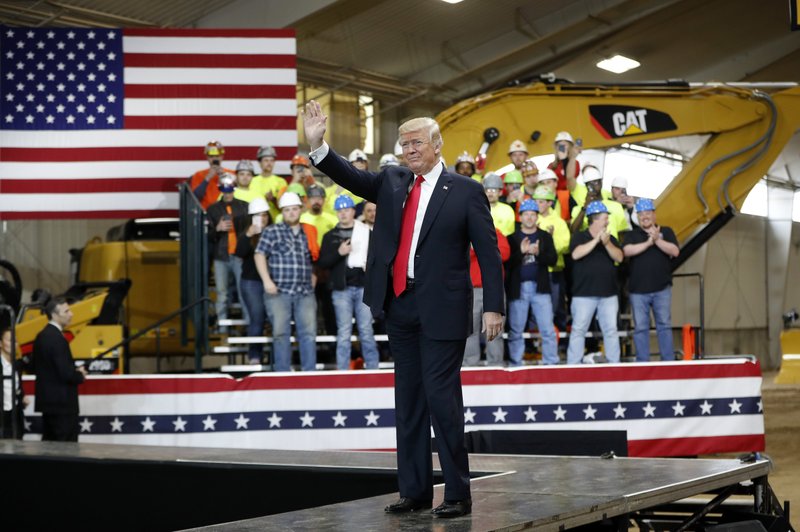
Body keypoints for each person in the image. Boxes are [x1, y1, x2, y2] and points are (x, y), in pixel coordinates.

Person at [303, 100, 504, 518]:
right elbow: (350, 176)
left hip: (444, 309)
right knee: (408, 402)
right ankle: (413, 491)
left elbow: (488, 253)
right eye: (403, 143)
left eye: (416, 142)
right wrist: (318, 144)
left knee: (441, 399)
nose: (409, 149)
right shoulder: (392, 181)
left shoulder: (465, 190)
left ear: (437, 145)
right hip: (400, 306)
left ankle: (457, 494)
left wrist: (494, 308)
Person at [254, 192, 319, 372]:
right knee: (281, 334)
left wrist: (314, 275)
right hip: (279, 292)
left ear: (300, 210)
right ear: (282, 212)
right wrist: (267, 281)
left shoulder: (308, 231)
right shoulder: (272, 231)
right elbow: (259, 254)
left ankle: (309, 373)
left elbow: (313, 257)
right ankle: (282, 374)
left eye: (294, 209)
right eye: (287, 210)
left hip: (305, 292)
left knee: (308, 334)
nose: (291, 213)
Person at [318, 195, 380, 370]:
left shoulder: (366, 232)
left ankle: (374, 371)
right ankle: (343, 372)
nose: (343, 214)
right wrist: (339, 252)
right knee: (344, 333)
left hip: (363, 288)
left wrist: (371, 267)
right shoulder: (330, 236)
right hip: (341, 289)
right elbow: (323, 263)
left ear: (353, 211)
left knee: (366, 331)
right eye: (340, 211)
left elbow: (377, 257)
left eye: (346, 210)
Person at [623, 198, 680, 362]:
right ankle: (642, 363)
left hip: (662, 289)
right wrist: (648, 243)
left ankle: (667, 362)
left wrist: (657, 240)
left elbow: (675, 251)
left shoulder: (666, 231)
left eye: (647, 213)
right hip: (638, 291)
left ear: (654, 215)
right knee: (640, 328)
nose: (644, 217)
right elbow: (627, 251)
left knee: (664, 325)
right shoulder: (632, 234)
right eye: (641, 214)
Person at [567, 201, 624, 364]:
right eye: (605, 218)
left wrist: (606, 243)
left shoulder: (610, 238)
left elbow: (619, 257)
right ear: (595, 219)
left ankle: (615, 365)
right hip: (583, 294)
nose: (607, 221)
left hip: (608, 294)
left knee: (611, 331)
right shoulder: (579, 236)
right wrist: (596, 241)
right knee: (578, 330)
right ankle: (573, 365)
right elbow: (576, 254)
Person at [506, 200, 558, 365]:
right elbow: (506, 263)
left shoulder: (545, 237)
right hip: (518, 288)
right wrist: (521, 252)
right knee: (516, 330)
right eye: (526, 214)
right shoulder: (512, 238)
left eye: (533, 214)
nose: (529, 218)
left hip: (540, 288)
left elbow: (553, 260)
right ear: (520, 217)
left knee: (548, 330)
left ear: (537, 216)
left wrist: (538, 253)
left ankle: (551, 361)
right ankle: (516, 362)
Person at [32, 297, 87, 441]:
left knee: (50, 448)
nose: (71, 314)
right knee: (65, 450)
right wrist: (79, 375)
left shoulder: (41, 336)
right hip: (63, 405)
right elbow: (65, 373)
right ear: (54, 314)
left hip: (49, 404)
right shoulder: (56, 338)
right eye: (66, 311)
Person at [207, 175, 250, 331]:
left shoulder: (244, 207)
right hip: (221, 255)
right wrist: (217, 229)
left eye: (230, 189)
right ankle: (223, 328)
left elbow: (249, 231)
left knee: (244, 291)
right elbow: (207, 236)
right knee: (222, 293)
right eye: (224, 190)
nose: (227, 193)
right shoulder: (213, 209)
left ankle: (248, 326)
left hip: (240, 255)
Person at [463, 226, 510, 366]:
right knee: (470, 331)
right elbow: (462, 254)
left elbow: (505, 253)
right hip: (471, 289)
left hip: (494, 288)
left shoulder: (495, 231)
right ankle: (470, 365)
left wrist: (478, 249)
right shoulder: (464, 232)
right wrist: (487, 248)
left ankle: (495, 365)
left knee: (496, 330)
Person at [235, 198, 272, 365]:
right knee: (257, 318)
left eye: (264, 215)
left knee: (273, 319)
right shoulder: (247, 234)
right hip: (251, 282)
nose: (262, 218)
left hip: (271, 281)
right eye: (258, 215)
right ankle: (254, 356)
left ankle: (272, 356)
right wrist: (249, 234)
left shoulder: (274, 232)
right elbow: (240, 253)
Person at [533, 185, 571, 335]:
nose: (538, 205)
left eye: (541, 201)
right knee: (536, 308)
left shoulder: (559, 222)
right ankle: (536, 344)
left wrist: (548, 240)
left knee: (557, 307)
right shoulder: (532, 219)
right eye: (536, 201)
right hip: (536, 270)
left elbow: (565, 245)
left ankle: (560, 341)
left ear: (550, 203)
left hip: (554, 271)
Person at [570, 165, 629, 239]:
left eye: (595, 182)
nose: (592, 186)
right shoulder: (578, 209)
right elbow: (573, 231)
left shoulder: (616, 206)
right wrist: (585, 207)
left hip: (611, 247)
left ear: (601, 182)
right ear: (585, 185)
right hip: (590, 247)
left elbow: (621, 232)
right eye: (589, 183)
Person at [188, 140, 235, 210]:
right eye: (211, 156)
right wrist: (207, 178)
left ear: (222, 157)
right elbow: (195, 198)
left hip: (227, 212)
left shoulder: (232, 173)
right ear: (207, 157)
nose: (214, 159)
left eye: (217, 156)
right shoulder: (198, 175)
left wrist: (223, 176)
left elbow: (238, 194)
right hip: (206, 213)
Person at [1, 327, 27, 439]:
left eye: (15, 341)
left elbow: (18, 387)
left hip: (15, 414)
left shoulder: (17, 365)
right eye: (10, 340)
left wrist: (22, 396)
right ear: (0, 343)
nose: (13, 344)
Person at [252, 145, 288, 221]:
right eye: (266, 160)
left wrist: (273, 199)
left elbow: (285, 206)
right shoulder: (252, 181)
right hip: (257, 221)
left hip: (276, 222)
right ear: (259, 162)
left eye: (272, 160)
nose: (269, 163)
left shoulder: (281, 182)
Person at [483, 173, 515, 237]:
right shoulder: (478, 209)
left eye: (494, 190)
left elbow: (510, 234)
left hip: (503, 243)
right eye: (488, 190)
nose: (490, 193)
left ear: (500, 193)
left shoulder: (507, 210)